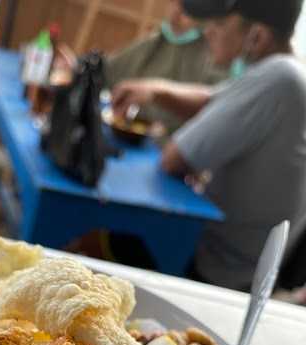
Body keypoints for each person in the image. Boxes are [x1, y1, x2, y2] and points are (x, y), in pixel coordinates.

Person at [112, 0, 306, 291]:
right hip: (238, 262)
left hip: (217, 271)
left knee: (105, 235)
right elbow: (212, 100)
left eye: (218, 24)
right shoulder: (288, 73)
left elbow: (173, 160)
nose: (207, 32)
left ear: (257, 37)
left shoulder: (278, 79)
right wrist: (156, 91)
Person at [106, 0, 226, 132]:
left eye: (183, 7)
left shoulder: (215, 55)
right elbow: (108, 70)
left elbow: (214, 105)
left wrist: (157, 92)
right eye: (173, 3)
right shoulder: (157, 41)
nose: (175, 12)